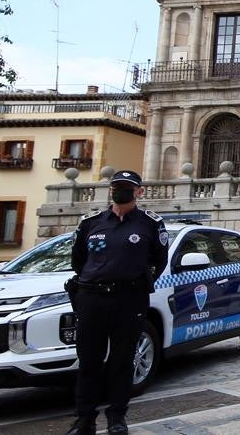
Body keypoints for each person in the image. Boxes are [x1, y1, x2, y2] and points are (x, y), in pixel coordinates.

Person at [66, 170, 168, 435]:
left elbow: (160, 260)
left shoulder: (150, 224)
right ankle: (84, 419)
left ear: (139, 192)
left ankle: (117, 418)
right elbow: (77, 261)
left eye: (127, 187)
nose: (121, 190)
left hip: (129, 299)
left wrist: (137, 280)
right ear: (110, 190)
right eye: (117, 186)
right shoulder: (90, 223)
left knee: (123, 360)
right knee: (88, 361)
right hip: (92, 297)